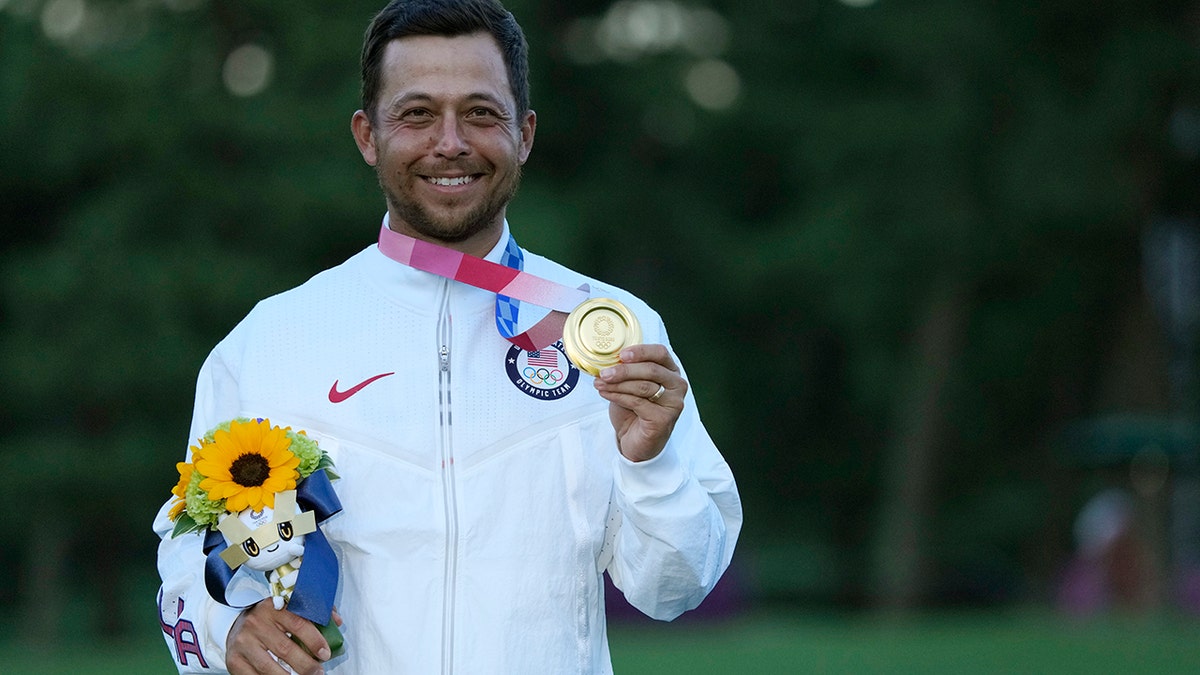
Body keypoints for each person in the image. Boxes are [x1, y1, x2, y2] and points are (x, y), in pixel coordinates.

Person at [153, 0, 742, 672]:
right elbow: (187, 545)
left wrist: (651, 462)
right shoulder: (269, 341)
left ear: (523, 133)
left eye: (481, 113)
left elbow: (676, 586)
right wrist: (224, 623)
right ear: (367, 135)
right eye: (417, 113)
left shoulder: (611, 329)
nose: (451, 142)